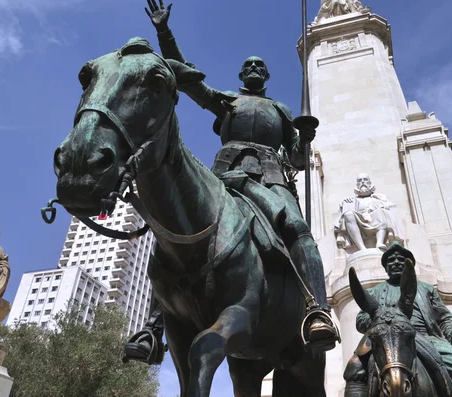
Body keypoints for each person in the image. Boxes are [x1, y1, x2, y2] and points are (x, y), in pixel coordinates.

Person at [122, 0, 339, 364]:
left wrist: (304, 137)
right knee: (173, 239)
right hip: (222, 177)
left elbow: (299, 161)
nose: (253, 68)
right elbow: (187, 77)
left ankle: (317, 309)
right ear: (241, 75)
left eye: (260, 65)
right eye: (248, 65)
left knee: (299, 230)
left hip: (270, 180)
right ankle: (153, 326)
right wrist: (164, 31)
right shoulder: (226, 101)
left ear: (266, 76)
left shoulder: (281, 111)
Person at [343, 242, 452, 397]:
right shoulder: (374, 292)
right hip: (383, 336)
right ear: (385, 267)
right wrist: (378, 319)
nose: (396, 262)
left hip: (424, 337)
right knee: (354, 367)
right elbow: (361, 319)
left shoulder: (427, 289)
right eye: (391, 260)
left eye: (400, 259)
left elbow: (444, 316)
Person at [334, 173, 401, 252]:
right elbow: (342, 217)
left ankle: (379, 243)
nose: (362, 182)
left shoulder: (379, 197)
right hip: (359, 221)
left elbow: (391, 208)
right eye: (360, 180)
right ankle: (362, 248)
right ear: (357, 184)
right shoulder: (352, 200)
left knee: (381, 211)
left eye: (365, 180)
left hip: (375, 219)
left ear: (369, 183)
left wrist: (381, 205)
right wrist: (346, 204)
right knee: (348, 214)